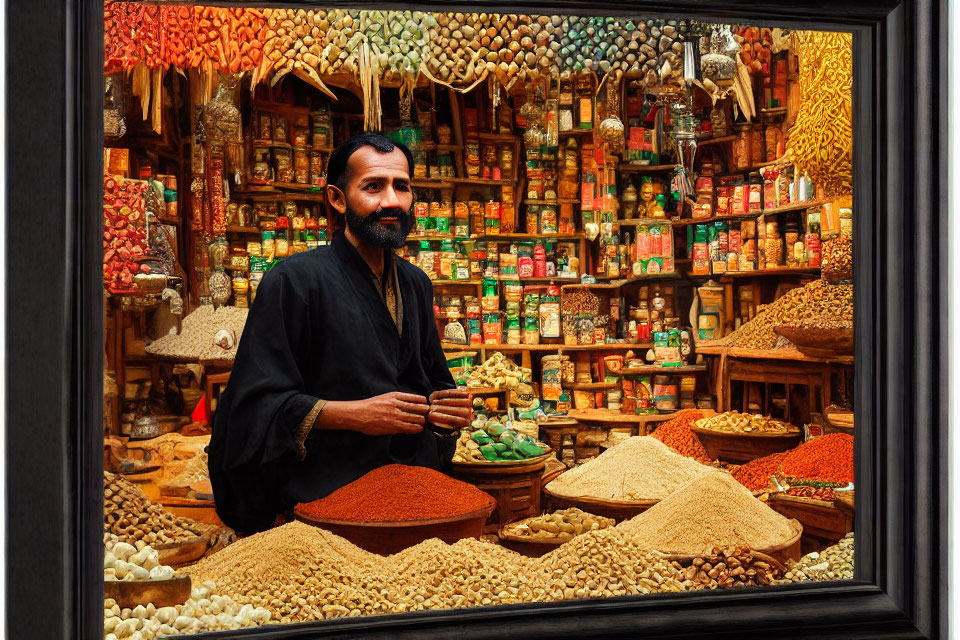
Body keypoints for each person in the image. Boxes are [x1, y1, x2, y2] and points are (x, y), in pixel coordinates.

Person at [208, 133, 473, 534]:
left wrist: (446, 411)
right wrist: (355, 415)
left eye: (401, 187)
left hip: (412, 494)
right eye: (373, 186)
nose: (391, 201)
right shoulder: (294, 282)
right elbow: (253, 408)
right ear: (336, 198)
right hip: (325, 502)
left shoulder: (416, 284)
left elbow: (432, 380)